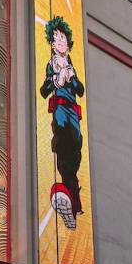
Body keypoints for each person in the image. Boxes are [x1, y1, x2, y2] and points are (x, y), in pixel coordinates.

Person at [40, 16, 86, 229]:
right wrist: (56, 80)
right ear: (51, 43)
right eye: (56, 39)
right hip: (60, 113)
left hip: (74, 116)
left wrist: (72, 76)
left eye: (63, 39)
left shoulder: (71, 65)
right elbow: (43, 91)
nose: (60, 42)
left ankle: (72, 204)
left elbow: (80, 90)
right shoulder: (52, 64)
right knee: (64, 147)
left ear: (68, 44)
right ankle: (66, 197)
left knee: (75, 152)